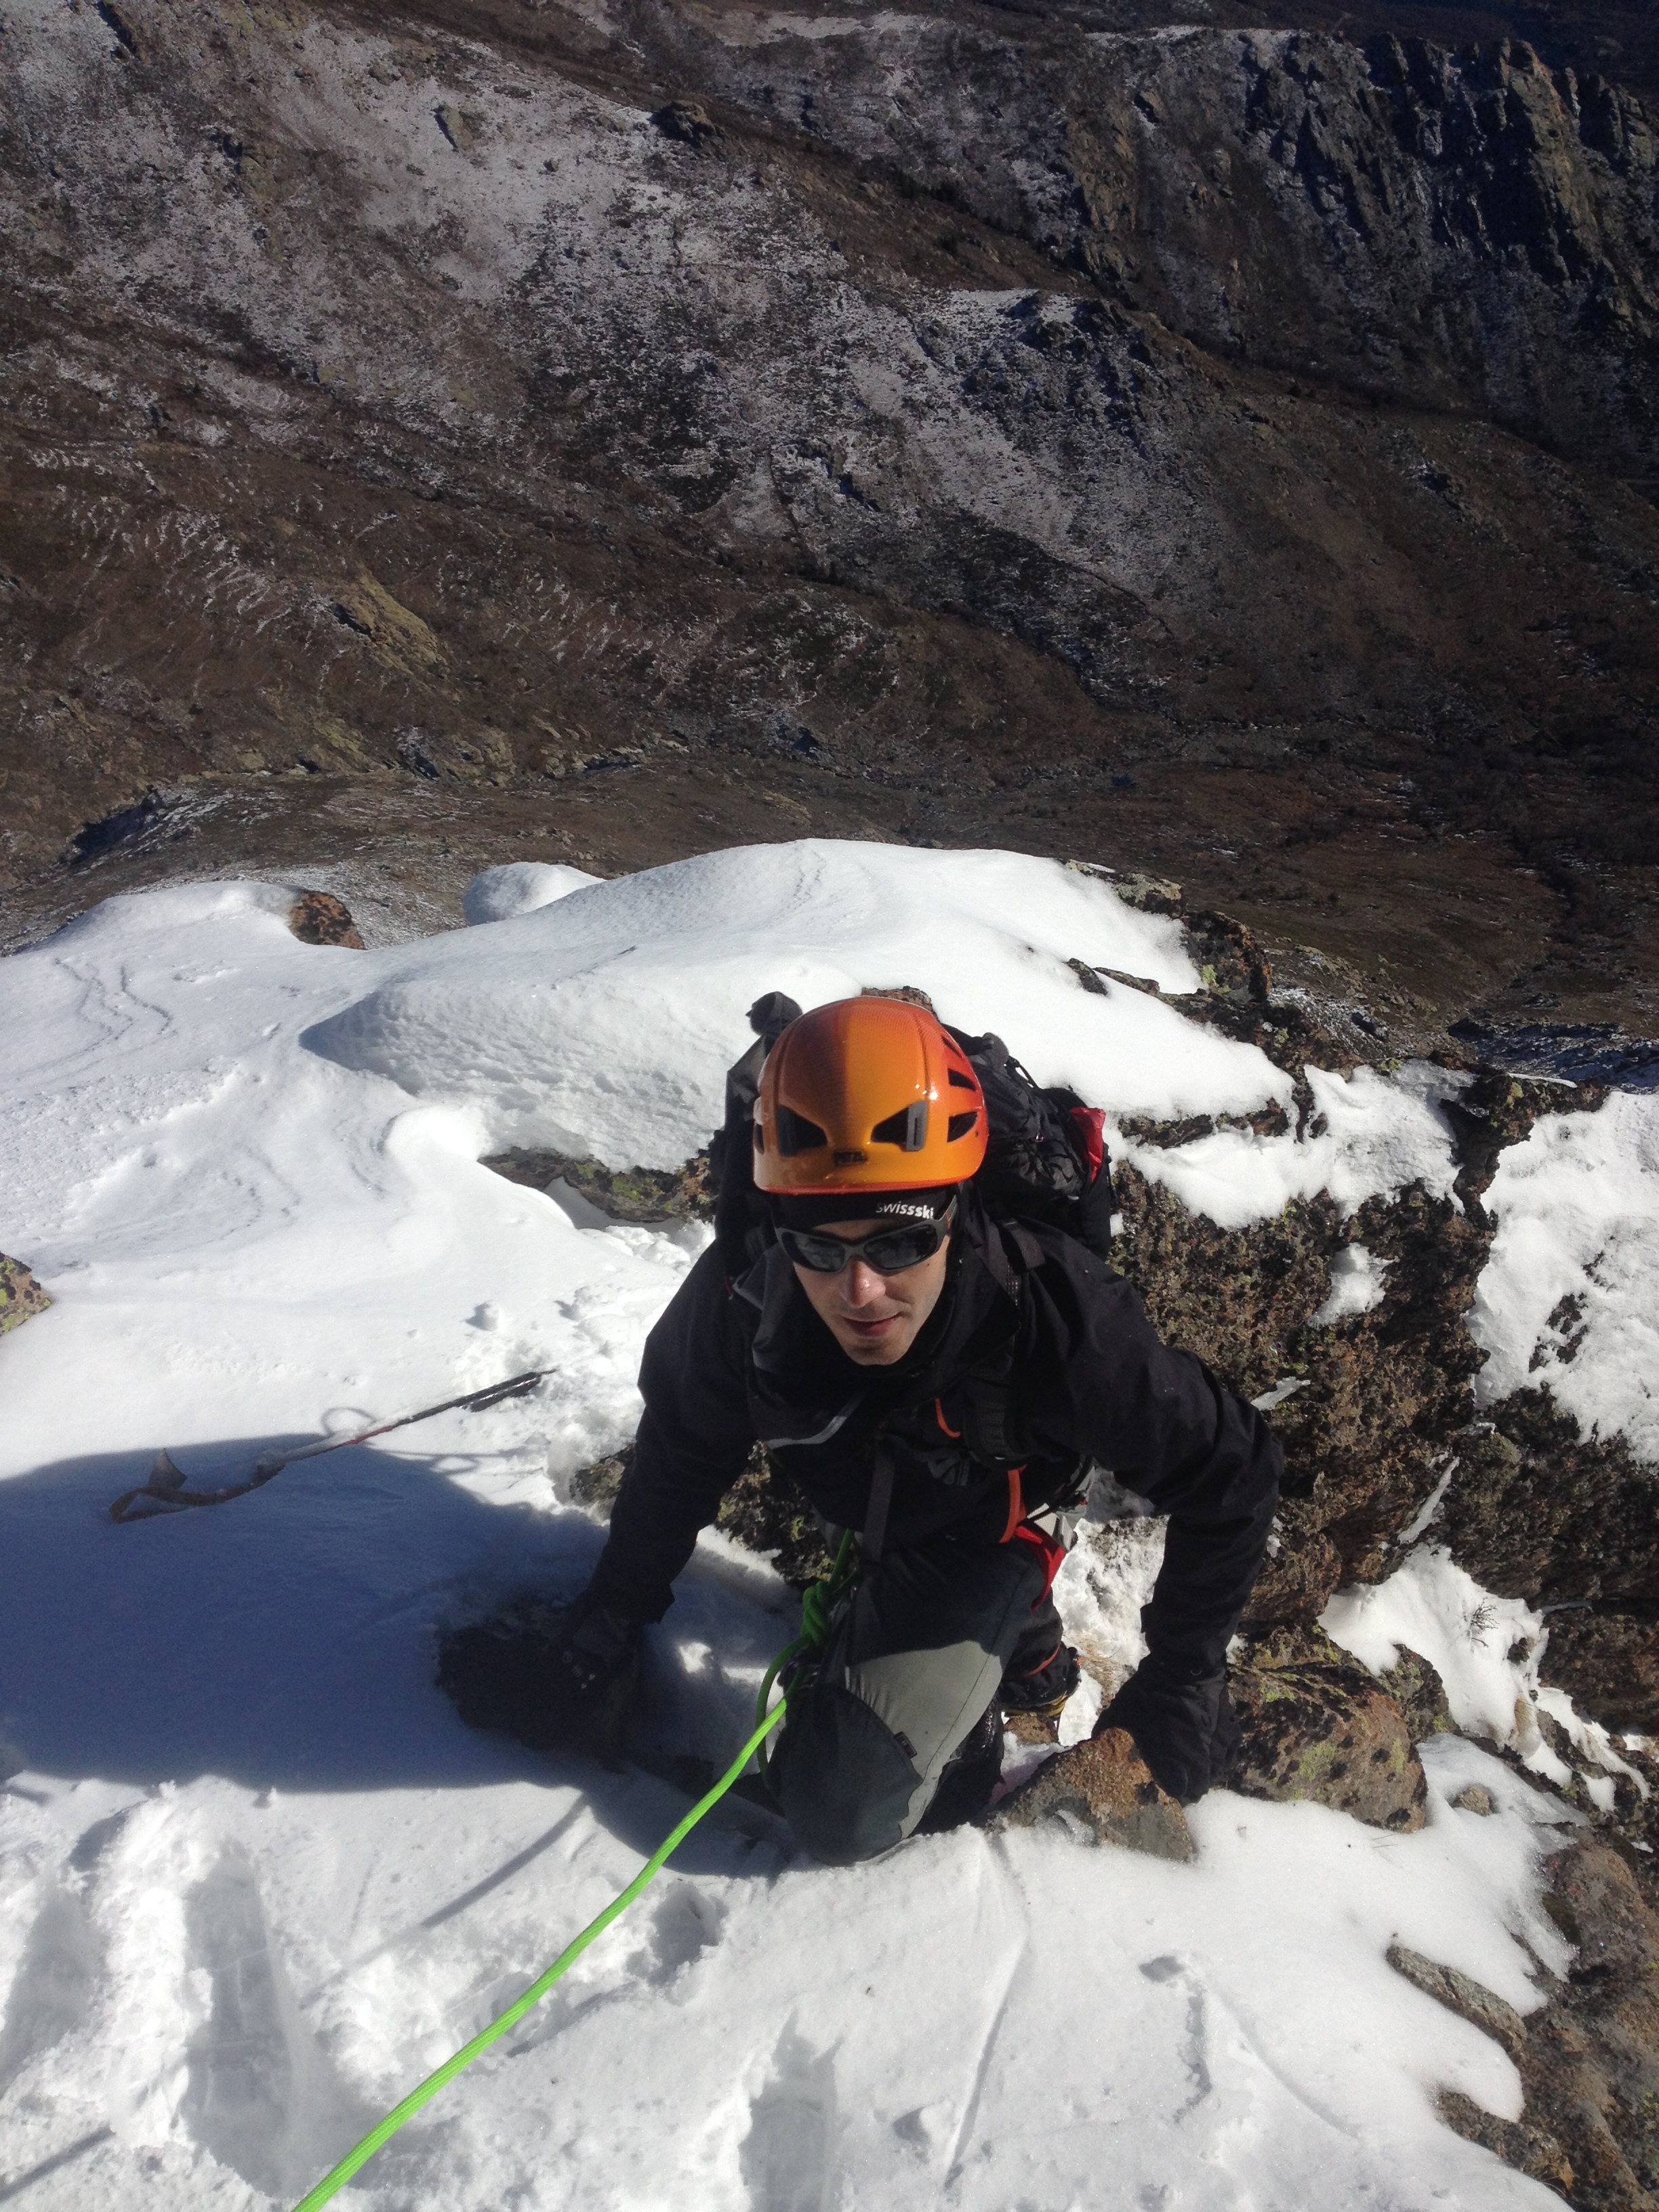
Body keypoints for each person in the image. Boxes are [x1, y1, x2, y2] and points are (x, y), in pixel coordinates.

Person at [544, 996, 1282, 1864]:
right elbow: (682, 1448)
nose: (860, 1292)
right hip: (867, 1478)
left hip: (990, 1521)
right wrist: (615, 1609)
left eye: (898, 1244)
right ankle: (1018, 1651)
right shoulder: (745, 1295)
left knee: (843, 1804)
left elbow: (1232, 1471)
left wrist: (1185, 1673)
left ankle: (1004, 1650)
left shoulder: (1054, 1315)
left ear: (957, 1209)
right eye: (820, 1248)